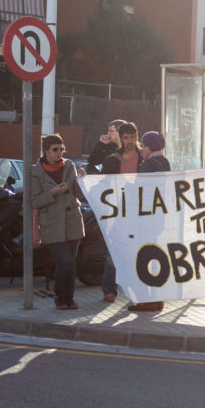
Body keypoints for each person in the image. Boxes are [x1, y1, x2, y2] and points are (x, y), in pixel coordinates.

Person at [31, 134, 86, 310]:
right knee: (65, 260)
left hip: (72, 220)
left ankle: (70, 298)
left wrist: (82, 180)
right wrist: (53, 192)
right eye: (55, 149)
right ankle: (59, 297)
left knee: (72, 261)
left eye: (61, 149)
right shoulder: (36, 172)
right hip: (52, 224)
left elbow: (80, 194)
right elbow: (34, 201)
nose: (59, 153)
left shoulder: (69, 166)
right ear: (46, 151)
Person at [127, 131, 171, 312]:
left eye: (143, 145)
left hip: (147, 218)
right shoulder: (164, 162)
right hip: (158, 217)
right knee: (153, 256)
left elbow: (140, 191)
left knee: (144, 257)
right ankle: (156, 297)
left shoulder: (149, 165)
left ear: (149, 147)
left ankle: (147, 299)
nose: (141, 148)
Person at [99, 121, 142, 302]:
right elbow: (103, 184)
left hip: (139, 212)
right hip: (118, 212)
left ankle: (136, 289)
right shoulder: (112, 160)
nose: (130, 141)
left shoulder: (144, 159)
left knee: (137, 251)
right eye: (126, 138)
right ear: (121, 139)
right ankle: (109, 290)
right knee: (114, 251)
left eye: (132, 137)